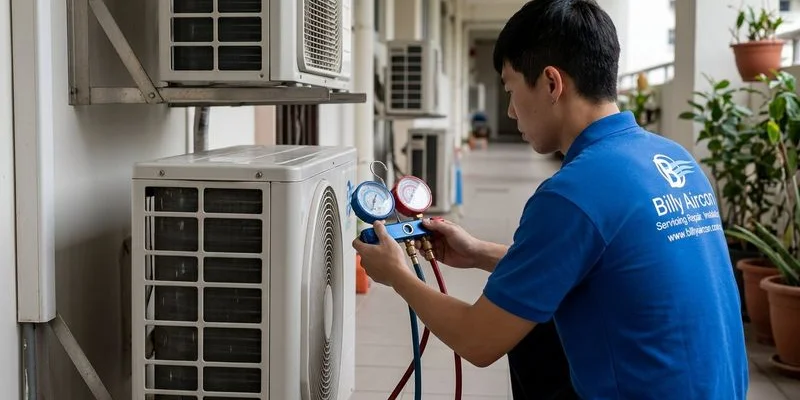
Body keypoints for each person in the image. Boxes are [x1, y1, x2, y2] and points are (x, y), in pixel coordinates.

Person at [352, 0, 749, 399]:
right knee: (534, 323)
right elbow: (599, 266)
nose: (509, 110)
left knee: (520, 332)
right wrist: (478, 253)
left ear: (551, 84)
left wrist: (398, 276)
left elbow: (478, 340)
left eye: (510, 89)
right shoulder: (674, 158)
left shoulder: (572, 193)